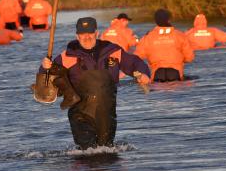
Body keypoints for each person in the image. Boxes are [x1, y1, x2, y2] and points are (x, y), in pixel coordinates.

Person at [39, 17, 150, 150]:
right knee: (88, 154)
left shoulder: (112, 50)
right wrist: (45, 68)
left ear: (97, 33)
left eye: (90, 33)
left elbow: (134, 62)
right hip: (80, 116)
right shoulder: (66, 56)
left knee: (107, 153)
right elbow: (45, 82)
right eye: (82, 34)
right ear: (77, 36)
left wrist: (144, 74)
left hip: (107, 116)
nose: (87, 37)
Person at [135, 9, 194, 82]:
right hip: (176, 74)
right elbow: (189, 57)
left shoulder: (147, 37)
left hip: (157, 74)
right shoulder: (180, 35)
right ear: (169, 20)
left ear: (156, 21)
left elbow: (136, 58)